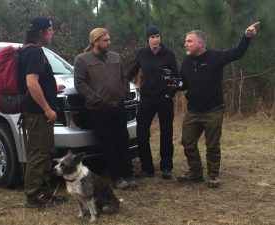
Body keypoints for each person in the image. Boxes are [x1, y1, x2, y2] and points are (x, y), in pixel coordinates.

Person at [177, 22, 260, 188]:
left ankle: (213, 174)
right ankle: (195, 172)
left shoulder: (215, 57)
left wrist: (246, 37)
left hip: (213, 110)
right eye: (186, 41)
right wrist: (175, 86)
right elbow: (184, 84)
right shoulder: (186, 61)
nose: (185, 44)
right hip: (193, 110)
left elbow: (237, 53)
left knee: (212, 145)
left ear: (200, 43)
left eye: (189, 41)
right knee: (187, 142)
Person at [74, 28, 137, 189]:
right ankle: (116, 178)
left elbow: (124, 78)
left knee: (123, 140)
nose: (109, 42)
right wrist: (96, 99)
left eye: (109, 39)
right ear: (95, 42)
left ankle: (129, 175)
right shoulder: (82, 59)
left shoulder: (116, 57)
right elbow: (79, 83)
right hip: (99, 110)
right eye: (105, 40)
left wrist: (124, 92)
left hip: (118, 107)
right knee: (108, 144)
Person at [19, 16, 66, 208]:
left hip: (37, 112)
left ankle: (44, 193)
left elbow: (35, 81)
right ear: (40, 33)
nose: (52, 32)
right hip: (38, 113)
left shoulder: (30, 51)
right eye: (50, 29)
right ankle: (34, 196)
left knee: (45, 152)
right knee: (38, 154)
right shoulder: (35, 52)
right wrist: (47, 109)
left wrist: (53, 88)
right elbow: (31, 82)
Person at [127, 25, 180, 179]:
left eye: (157, 36)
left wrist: (169, 95)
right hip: (147, 97)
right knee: (142, 131)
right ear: (147, 39)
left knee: (166, 132)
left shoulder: (168, 54)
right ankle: (147, 167)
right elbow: (131, 72)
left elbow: (176, 78)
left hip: (164, 98)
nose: (156, 40)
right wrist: (122, 85)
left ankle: (166, 167)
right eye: (152, 37)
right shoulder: (142, 53)